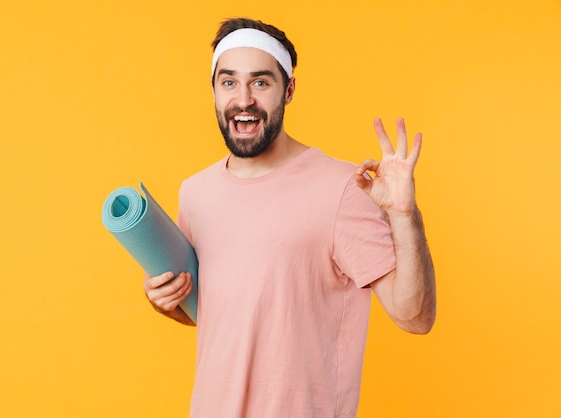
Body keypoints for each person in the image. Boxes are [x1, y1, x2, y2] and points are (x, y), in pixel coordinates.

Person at [143, 17, 436, 418]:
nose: (243, 99)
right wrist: (168, 301)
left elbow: (415, 317)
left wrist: (405, 214)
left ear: (289, 90)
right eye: (229, 82)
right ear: (214, 90)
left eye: (261, 82)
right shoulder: (194, 193)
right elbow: (222, 314)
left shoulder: (342, 188)